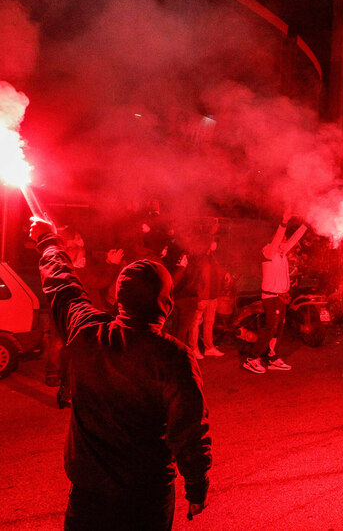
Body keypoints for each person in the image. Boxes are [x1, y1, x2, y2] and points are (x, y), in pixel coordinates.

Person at [30, 218, 210, 530]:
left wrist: (47, 240)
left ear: (121, 295)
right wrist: (196, 487)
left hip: (89, 495)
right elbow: (190, 429)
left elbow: (61, 282)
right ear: (164, 301)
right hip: (147, 497)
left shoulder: (86, 330)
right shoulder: (174, 357)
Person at [244, 213, 306, 374]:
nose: (285, 240)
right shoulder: (268, 251)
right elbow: (279, 237)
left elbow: (295, 239)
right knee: (271, 328)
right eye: (282, 238)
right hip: (271, 297)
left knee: (278, 329)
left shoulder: (281, 253)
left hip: (280, 297)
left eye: (285, 238)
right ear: (274, 240)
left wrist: (307, 223)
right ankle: (252, 358)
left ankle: (272, 357)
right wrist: (284, 222)